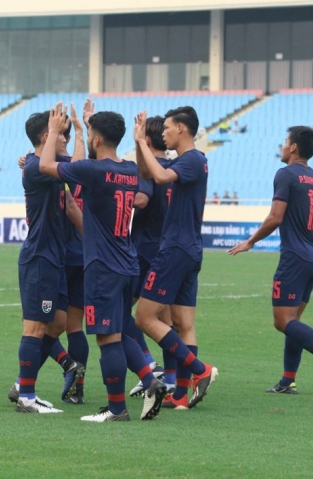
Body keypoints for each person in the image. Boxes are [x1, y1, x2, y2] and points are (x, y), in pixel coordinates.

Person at [41, 103, 167, 422]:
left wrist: (54, 131)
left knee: (107, 338)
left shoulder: (92, 171)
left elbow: (45, 166)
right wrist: (88, 128)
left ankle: (116, 409)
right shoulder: (129, 170)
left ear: (97, 140)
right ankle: (149, 379)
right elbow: (115, 169)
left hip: (102, 266)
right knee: (121, 331)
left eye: (90, 135)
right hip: (127, 261)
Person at [228, 126, 313, 397]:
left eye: (285, 141)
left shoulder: (285, 174)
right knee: (294, 321)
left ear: (294, 147)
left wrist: (251, 241)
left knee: (283, 321)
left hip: (294, 258)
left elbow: (275, 217)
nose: (283, 146)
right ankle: (287, 381)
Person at [134, 107, 218, 411]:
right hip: (190, 248)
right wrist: (139, 143)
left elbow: (158, 177)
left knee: (144, 317)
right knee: (183, 323)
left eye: (167, 128)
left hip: (175, 249)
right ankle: (181, 394)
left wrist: (142, 142)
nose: (164, 133)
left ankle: (200, 370)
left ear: (181, 128)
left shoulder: (191, 159)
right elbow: (147, 172)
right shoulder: (188, 161)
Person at [8, 109, 85, 415]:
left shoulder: (46, 165)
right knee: (35, 327)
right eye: (61, 134)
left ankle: (25, 385)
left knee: (57, 323)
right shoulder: (36, 167)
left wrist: (77, 131)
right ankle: (26, 395)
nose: (65, 138)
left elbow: (78, 169)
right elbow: (68, 166)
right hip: (40, 256)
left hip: (54, 257)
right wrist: (57, 131)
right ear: (47, 136)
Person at [128, 115, 176, 398]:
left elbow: (141, 198)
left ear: (145, 140)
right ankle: (171, 378)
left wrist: (114, 194)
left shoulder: (146, 169)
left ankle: (148, 365)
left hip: (144, 251)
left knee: (120, 312)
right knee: (166, 318)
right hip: (168, 250)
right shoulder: (176, 169)